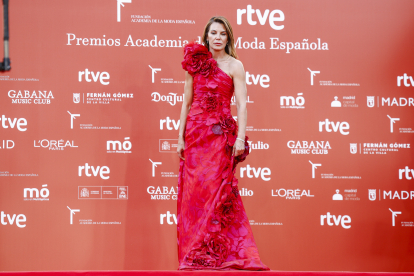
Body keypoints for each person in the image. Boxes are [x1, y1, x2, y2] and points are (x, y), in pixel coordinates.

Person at [176, 16, 269, 271]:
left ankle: (217, 252)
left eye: (222, 34)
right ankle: (194, 252)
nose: (217, 37)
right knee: (195, 193)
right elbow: (186, 101)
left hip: (219, 136)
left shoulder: (235, 66)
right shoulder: (195, 63)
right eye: (213, 33)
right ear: (206, 36)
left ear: (228, 38)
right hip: (195, 135)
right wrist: (180, 135)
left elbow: (241, 105)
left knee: (216, 191)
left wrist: (240, 137)